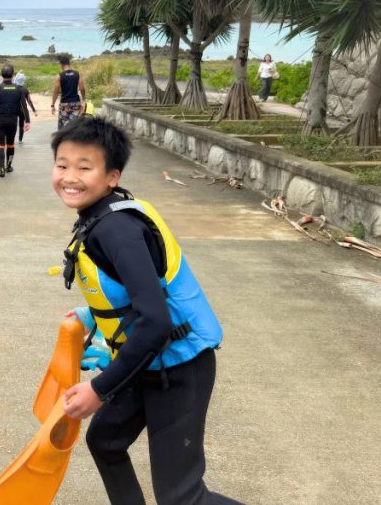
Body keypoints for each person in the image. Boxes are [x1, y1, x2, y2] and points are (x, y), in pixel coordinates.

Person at [50, 118, 238, 505]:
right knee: (106, 440)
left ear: (111, 176)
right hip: (147, 363)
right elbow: (136, 292)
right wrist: (91, 316)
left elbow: (156, 322)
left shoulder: (117, 230)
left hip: (179, 368)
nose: (70, 176)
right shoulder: (99, 217)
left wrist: (99, 390)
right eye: (62, 164)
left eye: (85, 167)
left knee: (182, 496)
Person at [0, 64, 29, 178]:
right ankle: (9, 166)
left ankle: (1, 169)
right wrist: (28, 121)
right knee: (10, 144)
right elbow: (24, 106)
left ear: (2, 74)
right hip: (12, 121)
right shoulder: (18, 89)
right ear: (12, 75)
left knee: (0, 145)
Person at [50, 55, 85, 130]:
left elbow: (55, 92)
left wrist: (52, 105)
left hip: (64, 104)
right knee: (75, 125)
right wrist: (84, 99)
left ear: (61, 65)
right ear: (69, 64)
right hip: (76, 103)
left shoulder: (59, 76)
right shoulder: (77, 74)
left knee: (63, 127)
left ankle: (64, 140)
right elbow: (82, 88)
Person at [13, 71, 38, 143]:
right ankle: (20, 140)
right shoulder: (25, 90)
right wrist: (34, 111)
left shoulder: (13, 88)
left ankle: (10, 139)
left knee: (13, 124)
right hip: (22, 110)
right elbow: (29, 101)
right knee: (21, 124)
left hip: (13, 109)